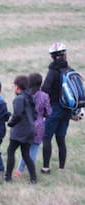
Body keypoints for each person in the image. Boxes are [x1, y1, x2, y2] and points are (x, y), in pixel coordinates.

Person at [41, 42, 72, 174]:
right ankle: (61, 168)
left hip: (54, 108)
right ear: (64, 55)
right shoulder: (69, 70)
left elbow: (45, 89)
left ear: (52, 56)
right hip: (67, 109)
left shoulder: (52, 71)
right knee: (61, 139)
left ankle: (46, 167)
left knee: (47, 138)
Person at [14, 73, 52, 177]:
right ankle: (31, 171)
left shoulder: (25, 95)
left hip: (26, 124)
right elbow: (49, 112)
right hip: (39, 125)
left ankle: (19, 170)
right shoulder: (44, 96)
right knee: (34, 149)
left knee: (25, 149)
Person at [5, 75, 37, 184]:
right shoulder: (30, 97)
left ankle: (8, 177)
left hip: (20, 130)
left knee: (10, 151)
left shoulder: (19, 99)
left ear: (17, 86)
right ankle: (33, 178)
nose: (13, 87)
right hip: (31, 129)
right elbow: (35, 114)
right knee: (26, 154)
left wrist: (10, 123)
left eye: (14, 85)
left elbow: (17, 115)